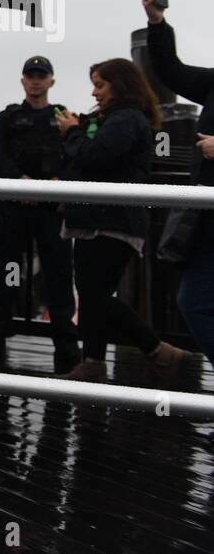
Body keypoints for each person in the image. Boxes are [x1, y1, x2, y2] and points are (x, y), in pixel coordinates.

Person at [54, 58, 198, 383]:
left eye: (100, 85)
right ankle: (93, 362)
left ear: (120, 85)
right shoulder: (117, 119)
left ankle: (158, 350)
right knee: (94, 293)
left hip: (110, 221)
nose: (95, 92)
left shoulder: (127, 119)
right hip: (98, 219)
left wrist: (73, 132)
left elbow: (95, 157)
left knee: (95, 295)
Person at [0, 56, 79, 372]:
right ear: (23, 80)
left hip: (52, 210)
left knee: (58, 276)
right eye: (31, 76)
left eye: (42, 76)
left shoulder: (65, 119)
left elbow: (76, 156)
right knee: (8, 271)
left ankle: (65, 346)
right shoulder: (7, 118)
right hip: (16, 208)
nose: (36, 81)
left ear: (51, 81)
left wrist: (58, 183)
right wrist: (18, 181)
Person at [144, 0, 214, 375]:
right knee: (194, 302)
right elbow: (171, 71)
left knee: (197, 302)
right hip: (207, 218)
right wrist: (158, 21)